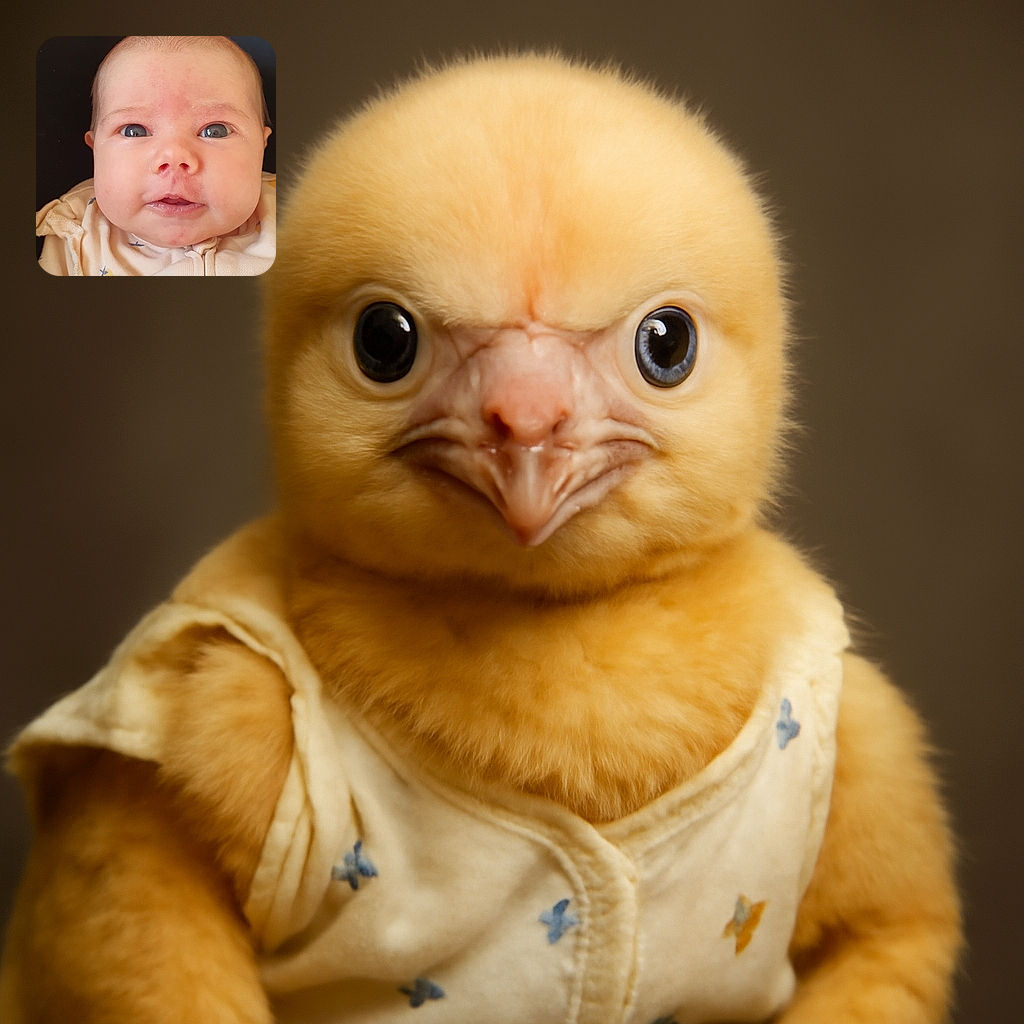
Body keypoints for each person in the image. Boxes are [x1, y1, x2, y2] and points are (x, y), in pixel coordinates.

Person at [37, 36, 275, 276]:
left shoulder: (291, 211)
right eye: (135, 131)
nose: (173, 157)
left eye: (215, 131)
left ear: (261, 146)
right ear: (95, 150)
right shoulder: (73, 231)